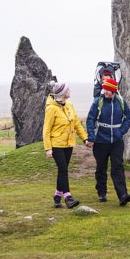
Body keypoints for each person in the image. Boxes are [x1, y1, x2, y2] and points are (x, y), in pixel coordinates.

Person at [43, 80, 91, 209]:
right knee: (63, 169)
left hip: (69, 144)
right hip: (56, 145)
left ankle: (57, 197)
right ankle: (68, 198)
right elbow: (46, 130)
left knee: (62, 170)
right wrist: (48, 148)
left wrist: (85, 139)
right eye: (68, 90)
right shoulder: (51, 109)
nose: (70, 91)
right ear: (63, 93)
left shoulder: (70, 105)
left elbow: (76, 124)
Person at [86, 78, 130, 206]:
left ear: (113, 91)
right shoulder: (98, 102)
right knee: (101, 167)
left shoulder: (121, 102)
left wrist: (121, 131)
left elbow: (128, 117)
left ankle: (123, 195)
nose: (105, 91)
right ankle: (102, 192)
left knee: (117, 167)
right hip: (101, 141)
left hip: (117, 141)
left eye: (107, 89)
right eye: (104, 89)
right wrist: (91, 137)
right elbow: (90, 120)